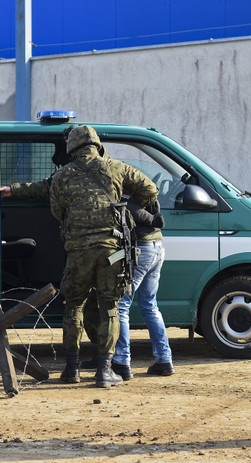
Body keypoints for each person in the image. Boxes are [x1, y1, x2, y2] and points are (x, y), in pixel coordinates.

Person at [49, 125, 158, 387]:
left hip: (78, 253)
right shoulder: (117, 167)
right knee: (109, 306)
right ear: (97, 145)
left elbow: (56, 210)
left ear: (72, 148)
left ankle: (71, 369)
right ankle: (104, 371)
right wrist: (128, 206)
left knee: (74, 305)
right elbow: (150, 189)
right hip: (113, 252)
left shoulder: (62, 176)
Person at [110, 199, 175, 380]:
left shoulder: (127, 194)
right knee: (150, 306)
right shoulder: (146, 190)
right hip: (157, 247)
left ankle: (122, 362)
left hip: (141, 249)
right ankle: (164, 360)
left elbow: (134, 213)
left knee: (121, 306)